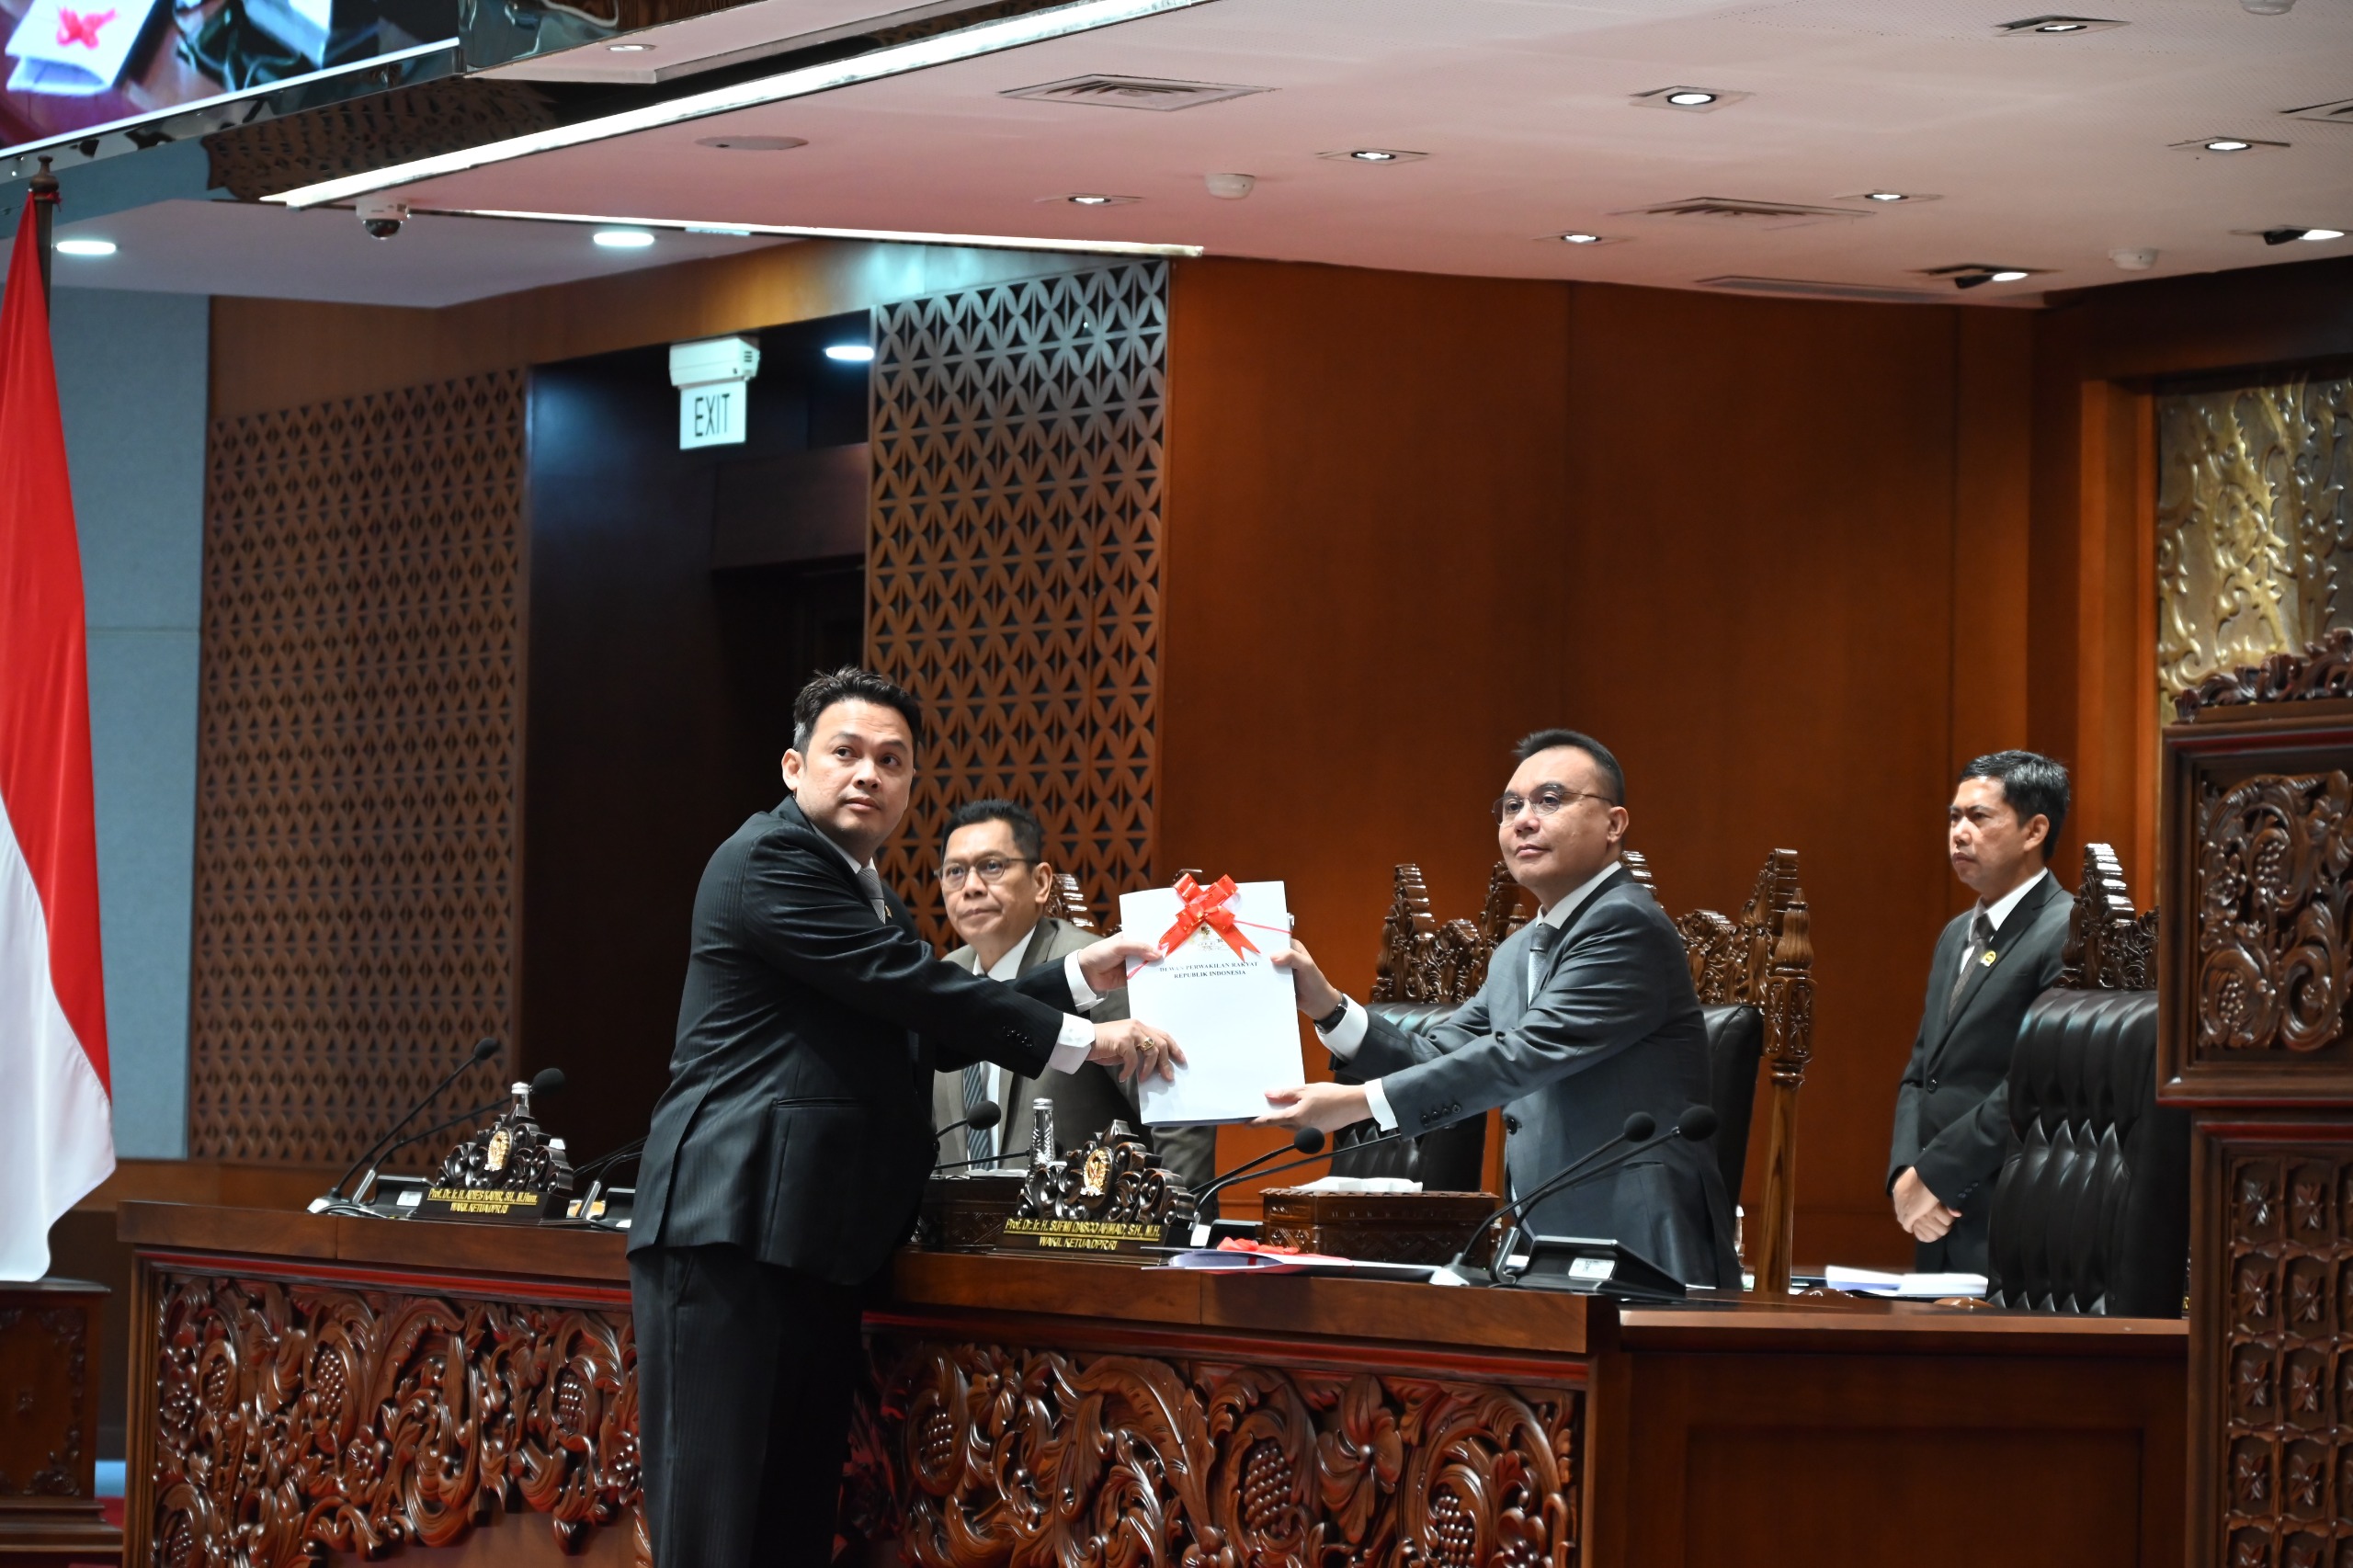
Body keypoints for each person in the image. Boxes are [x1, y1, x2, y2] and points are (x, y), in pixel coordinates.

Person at [626, 668, 1180, 1568]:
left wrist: (1084, 972)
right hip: (730, 1232)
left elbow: (919, 1022)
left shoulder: (861, 889)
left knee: (790, 1523)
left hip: (805, 1240)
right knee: (719, 1531)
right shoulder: (775, 859)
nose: (868, 775)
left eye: (892, 759)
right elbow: (914, 989)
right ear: (794, 765)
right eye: (845, 753)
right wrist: (1087, 1038)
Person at [1260, 728, 1739, 1288]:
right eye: (1511, 806)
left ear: (1614, 825)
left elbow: (1523, 1054)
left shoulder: (1626, 925)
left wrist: (1358, 1103)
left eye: (1551, 800)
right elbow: (1438, 1050)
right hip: (1544, 1240)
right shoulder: (1517, 951)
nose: (1523, 821)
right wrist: (1328, 1007)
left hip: (1640, 1239)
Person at [930, 799, 1218, 1189]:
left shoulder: (1095, 972)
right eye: (955, 872)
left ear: (1041, 882)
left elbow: (1177, 1112)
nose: (972, 887)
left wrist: (1181, 1226)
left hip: (1085, 1238)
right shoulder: (945, 977)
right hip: (966, 1236)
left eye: (992, 866)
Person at [1886, 749, 2071, 1274]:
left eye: (1979, 817)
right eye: (1953, 817)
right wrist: (1906, 1176)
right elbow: (1922, 1072)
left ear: (2035, 831)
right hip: (1934, 1217)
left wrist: (1937, 1174)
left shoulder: (2068, 931)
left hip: (2009, 1211)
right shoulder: (1953, 936)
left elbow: (2035, 1083)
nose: (1959, 832)